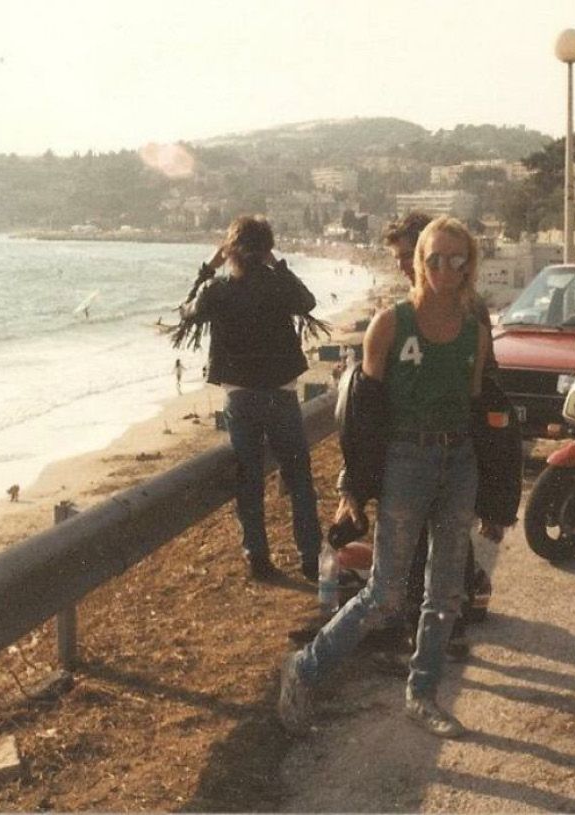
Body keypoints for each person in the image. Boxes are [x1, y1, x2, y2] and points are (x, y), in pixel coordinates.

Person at [279, 216, 490, 739]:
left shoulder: (475, 327)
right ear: (420, 261)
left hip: (457, 463)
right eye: (434, 257)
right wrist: (354, 488)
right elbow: (362, 415)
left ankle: (422, 695)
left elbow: (480, 406)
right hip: (406, 463)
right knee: (385, 592)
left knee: (444, 595)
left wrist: (497, 496)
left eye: (456, 258)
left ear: (470, 264)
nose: (445, 267)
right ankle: (305, 669)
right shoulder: (391, 324)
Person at [173, 215, 329, 582]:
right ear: (266, 248)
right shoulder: (278, 286)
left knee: (249, 480)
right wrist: (278, 265)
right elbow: (308, 301)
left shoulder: (219, 289)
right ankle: (309, 556)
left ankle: (258, 557)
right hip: (281, 395)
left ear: (230, 249)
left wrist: (208, 267)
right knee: (299, 479)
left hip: (240, 397)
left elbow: (186, 311)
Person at [377, 212, 499, 666]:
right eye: (404, 259)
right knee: (435, 546)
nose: (402, 267)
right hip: (416, 446)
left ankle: (442, 631)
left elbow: (481, 384)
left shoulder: (466, 311)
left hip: (447, 445)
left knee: (440, 547)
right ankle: (434, 628)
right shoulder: (404, 313)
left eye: (408, 257)